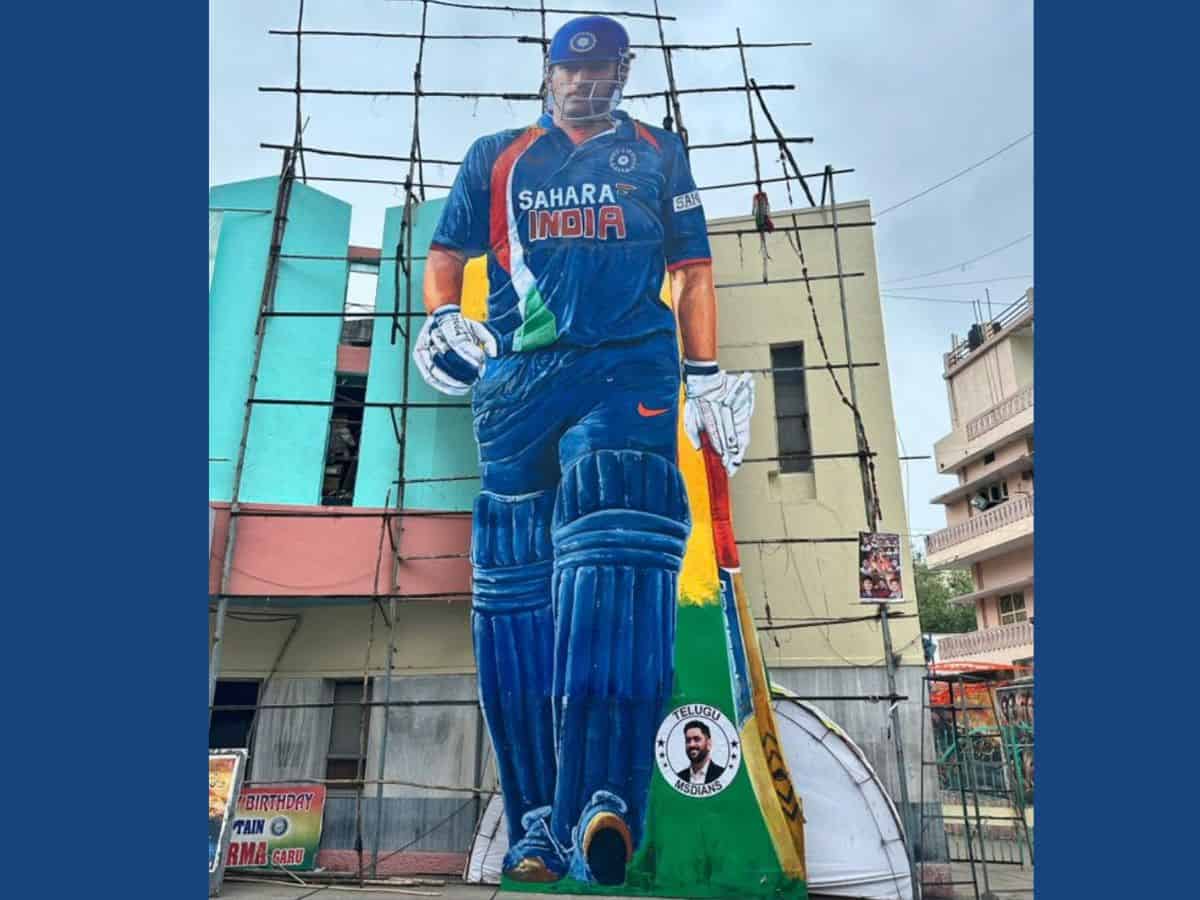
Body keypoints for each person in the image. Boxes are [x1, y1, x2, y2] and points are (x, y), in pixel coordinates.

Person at [412, 14, 754, 887]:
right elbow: (445, 252)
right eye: (571, 69)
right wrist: (442, 317)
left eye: (601, 71)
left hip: (628, 368)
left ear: (623, 74)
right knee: (514, 583)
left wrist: (707, 377)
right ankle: (536, 821)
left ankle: (602, 798)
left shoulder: (658, 152)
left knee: (618, 539)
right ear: (550, 72)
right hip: (517, 379)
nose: (584, 83)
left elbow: (695, 269)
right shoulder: (498, 155)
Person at [675, 720, 726, 785]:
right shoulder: (678, 778)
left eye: (697, 739)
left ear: (709, 744)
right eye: (688, 740)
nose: (691, 745)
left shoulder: (723, 775)